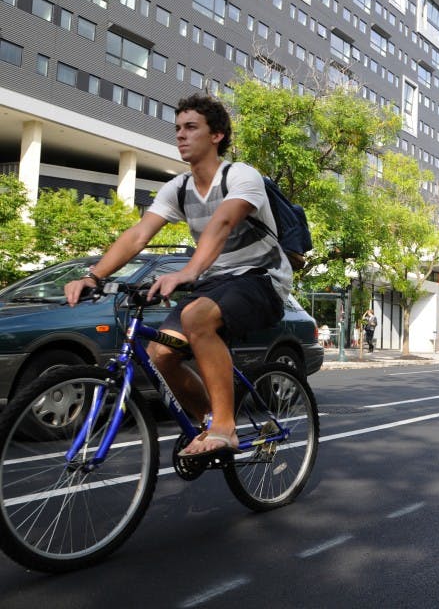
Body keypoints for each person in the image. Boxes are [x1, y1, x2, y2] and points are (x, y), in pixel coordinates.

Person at [64, 93, 292, 460]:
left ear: (216, 135)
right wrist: (94, 276)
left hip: (261, 279)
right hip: (215, 282)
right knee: (160, 354)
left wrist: (188, 271)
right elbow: (139, 235)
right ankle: (208, 421)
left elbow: (223, 221)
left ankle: (225, 428)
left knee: (195, 316)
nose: (180, 136)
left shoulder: (240, 176)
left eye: (191, 127)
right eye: (177, 129)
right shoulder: (179, 188)